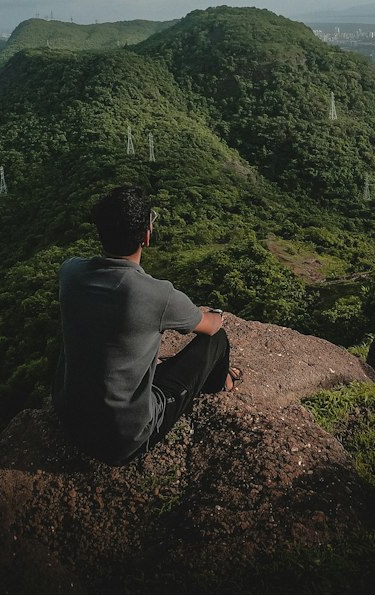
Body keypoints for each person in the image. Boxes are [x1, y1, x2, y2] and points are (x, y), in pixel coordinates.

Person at [53, 184, 239, 465]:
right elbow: (211, 326)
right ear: (147, 236)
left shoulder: (70, 273)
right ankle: (221, 385)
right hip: (123, 440)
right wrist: (213, 312)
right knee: (218, 341)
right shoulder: (156, 295)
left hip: (70, 421)